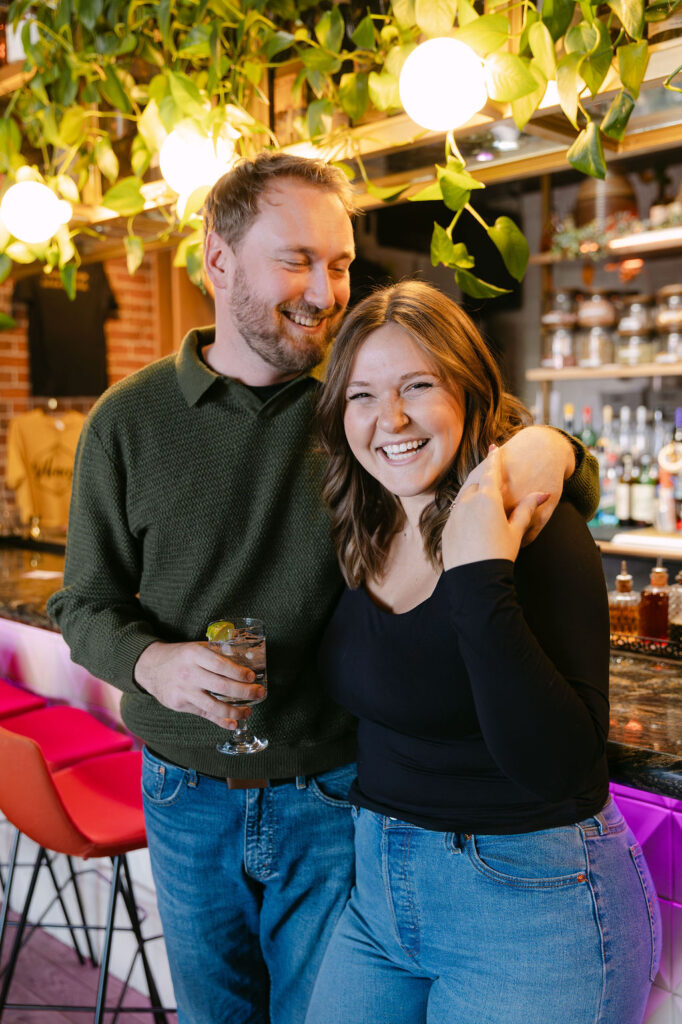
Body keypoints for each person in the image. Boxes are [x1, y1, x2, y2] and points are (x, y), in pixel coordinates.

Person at [48, 154, 601, 1024]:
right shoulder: (128, 419)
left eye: (340, 263)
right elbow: (80, 604)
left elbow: (524, 451)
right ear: (218, 260)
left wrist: (557, 448)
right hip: (185, 787)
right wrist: (152, 662)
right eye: (295, 259)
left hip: (333, 785)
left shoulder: (362, 404)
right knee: (215, 1016)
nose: (324, 289)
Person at [305, 279, 661, 1024]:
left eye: (418, 385)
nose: (390, 419)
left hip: (530, 902)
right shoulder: (360, 525)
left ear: (468, 390)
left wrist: (478, 579)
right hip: (377, 890)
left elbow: (559, 764)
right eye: (362, 395)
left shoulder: (534, 524)